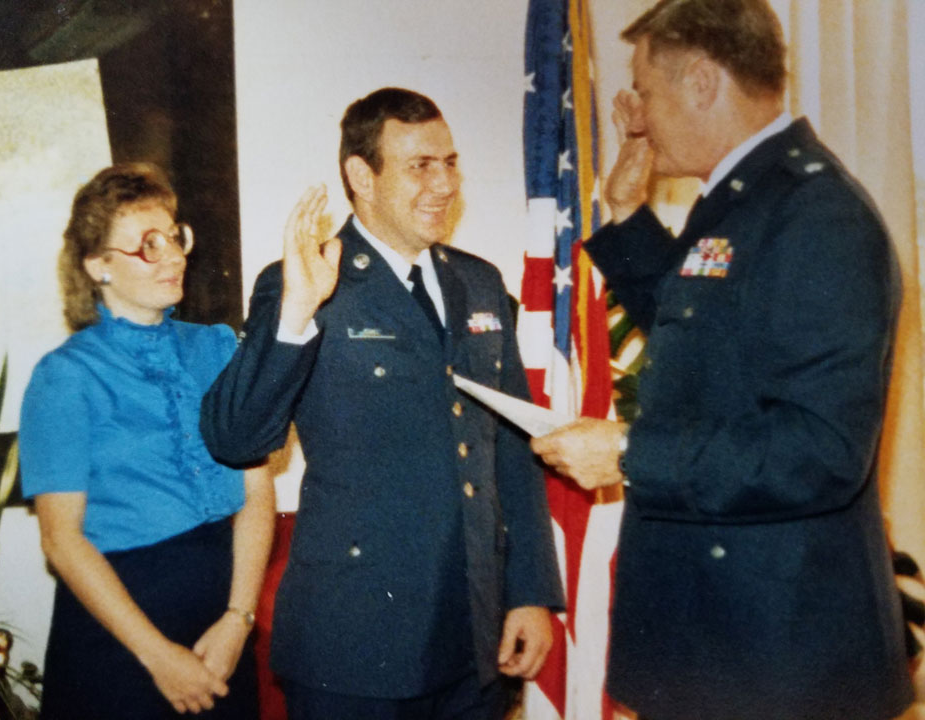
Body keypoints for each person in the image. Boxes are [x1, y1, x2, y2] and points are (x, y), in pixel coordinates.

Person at [530, 1, 914, 719]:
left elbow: (821, 450)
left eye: (643, 89)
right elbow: (703, 340)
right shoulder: (747, 198)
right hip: (722, 642)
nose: (634, 116)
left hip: (779, 662)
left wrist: (629, 451)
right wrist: (624, 215)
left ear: (702, 82)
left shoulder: (817, 214)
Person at [199, 87, 564, 720]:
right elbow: (234, 439)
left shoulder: (478, 282)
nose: (445, 183)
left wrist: (529, 592)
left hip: (473, 636)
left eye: (450, 162)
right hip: (356, 644)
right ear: (361, 176)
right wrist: (296, 312)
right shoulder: (308, 280)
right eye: (421, 165)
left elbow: (512, 443)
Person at [20, 163, 274, 719]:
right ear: (97, 266)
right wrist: (157, 656)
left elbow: (256, 496)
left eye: (174, 237)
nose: (173, 256)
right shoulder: (64, 376)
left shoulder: (219, 348)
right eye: (147, 245)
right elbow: (62, 542)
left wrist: (238, 619)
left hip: (221, 630)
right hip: (119, 642)